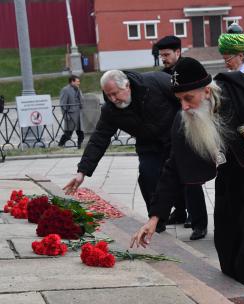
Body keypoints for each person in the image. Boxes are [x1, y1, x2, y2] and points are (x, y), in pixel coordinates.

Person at [131, 57, 244, 304]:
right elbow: (174, 166)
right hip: (232, 179)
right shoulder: (187, 117)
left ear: (206, 91)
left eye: (188, 98)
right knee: (228, 241)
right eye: (179, 100)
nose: (183, 106)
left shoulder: (243, 89)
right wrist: (155, 217)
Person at [63, 70, 182, 234]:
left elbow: (184, 98)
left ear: (127, 86)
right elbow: (99, 139)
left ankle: (196, 221)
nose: (112, 99)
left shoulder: (155, 82)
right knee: (148, 177)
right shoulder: (110, 110)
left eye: (115, 94)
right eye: (108, 95)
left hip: (175, 138)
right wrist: (82, 171)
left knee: (184, 179)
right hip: (148, 145)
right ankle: (157, 222)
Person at [156, 34, 208, 238]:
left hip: (194, 129)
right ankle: (180, 211)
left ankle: (199, 223)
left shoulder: (191, 71)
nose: (164, 59)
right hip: (173, 131)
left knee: (192, 180)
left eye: (167, 55)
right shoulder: (164, 76)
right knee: (173, 174)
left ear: (178, 52)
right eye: (161, 56)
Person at [58, 75, 84, 149]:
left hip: (79, 115)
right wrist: (66, 116)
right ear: (72, 81)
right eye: (77, 81)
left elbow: (81, 100)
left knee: (81, 133)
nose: (79, 83)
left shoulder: (78, 89)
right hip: (71, 116)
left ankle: (80, 147)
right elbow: (63, 104)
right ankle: (60, 146)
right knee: (68, 134)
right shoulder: (65, 90)